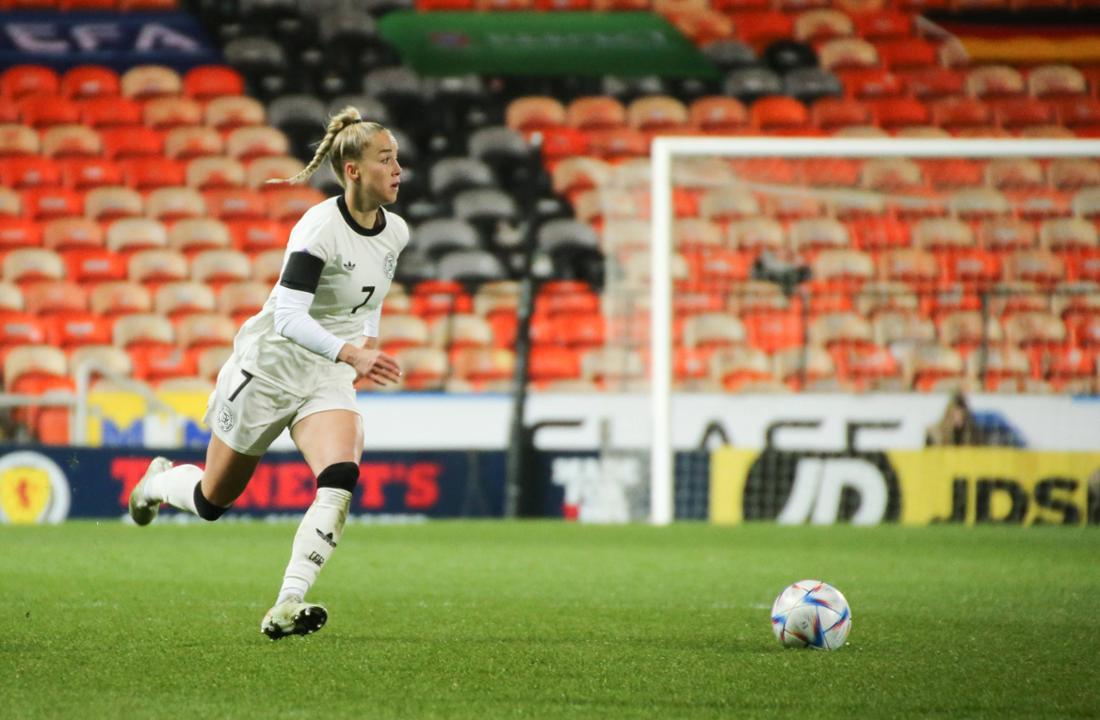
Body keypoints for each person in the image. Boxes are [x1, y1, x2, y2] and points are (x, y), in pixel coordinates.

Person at [128, 106, 407, 640]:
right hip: (269, 366)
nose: (398, 169)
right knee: (213, 501)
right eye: (386, 159)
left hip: (324, 376)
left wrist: (363, 342)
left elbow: (372, 296)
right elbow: (287, 316)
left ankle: (288, 601)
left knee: (340, 478)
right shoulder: (318, 229)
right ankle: (157, 484)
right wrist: (351, 353)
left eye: (397, 159)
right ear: (353, 170)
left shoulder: (395, 232)